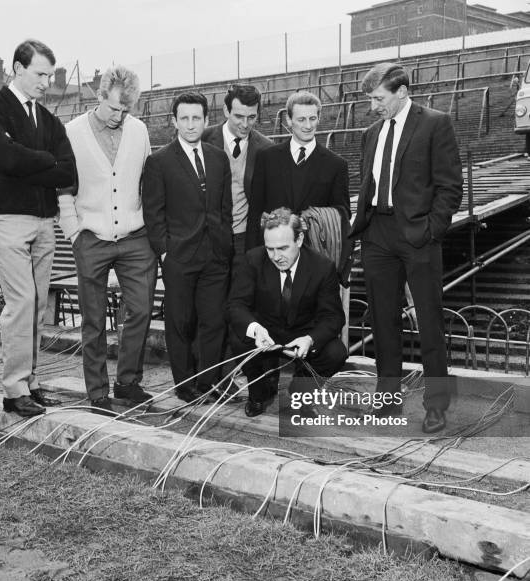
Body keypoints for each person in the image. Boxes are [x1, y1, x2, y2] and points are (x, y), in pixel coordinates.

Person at [349, 63, 463, 434]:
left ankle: (436, 406)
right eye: (370, 99)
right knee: (383, 321)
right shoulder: (370, 133)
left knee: (429, 320)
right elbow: (369, 183)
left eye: (378, 98)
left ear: (401, 91)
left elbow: (450, 187)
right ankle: (387, 400)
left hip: (418, 236)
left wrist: (431, 230)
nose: (373, 106)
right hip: (377, 234)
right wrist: (361, 227)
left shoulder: (435, 123)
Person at [0, 39, 75, 417]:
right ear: (17, 68)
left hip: (44, 220)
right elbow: (5, 158)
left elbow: (68, 171)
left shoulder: (48, 120)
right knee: (21, 303)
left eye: (50, 75)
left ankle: (30, 382)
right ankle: (14, 390)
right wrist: (45, 161)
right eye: (39, 74)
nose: (46, 82)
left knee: (35, 306)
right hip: (7, 219)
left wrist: (32, 160)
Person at [58, 66, 156, 413]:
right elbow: (63, 186)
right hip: (92, 238)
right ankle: (98, 391)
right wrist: (74, 232)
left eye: (126, 110)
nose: (119, 116)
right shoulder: (72, 132)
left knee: (142, 310)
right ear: (99, 96)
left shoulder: (139, 130)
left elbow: (147, 181)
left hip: (134, 236)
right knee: (93, 319)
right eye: (114, 108)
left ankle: (128, 382)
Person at [142, 92, 233, 403]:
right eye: (184, 118)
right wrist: (165, 252)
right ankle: (185, 385)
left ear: (207, 120)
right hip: (179, 256)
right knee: (180, 322)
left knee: (214, 320)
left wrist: (224, 245)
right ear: (174, 121)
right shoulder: (159, 161)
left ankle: (207, 382)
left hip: (215, 255)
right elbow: (153, 214)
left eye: (197, 118)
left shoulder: (218, 157)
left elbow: (225, 207)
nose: (191, 124)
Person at [228, 208, 347, 417]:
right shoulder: (253, 260)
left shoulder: (322, 267)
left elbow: (334, 317)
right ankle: (258, 392)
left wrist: (310, 339)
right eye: (270, 249)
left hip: (302, 335)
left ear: (299, 239)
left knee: (336, 353)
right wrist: (255, 329)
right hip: (266, 334)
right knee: (239, 338)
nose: (276, 256)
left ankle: (301, 394)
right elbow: (235, 305)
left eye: (283, 248)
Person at [246, 90, 350, 250]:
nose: (308, 126)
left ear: (318, 118)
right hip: (272, 251)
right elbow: (255, 212)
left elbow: (342, 213)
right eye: (301, 119)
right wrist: (252, 257)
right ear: (288, 119)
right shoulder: (266, 158)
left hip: (314, 254)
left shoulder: (337, 164)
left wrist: (312, 219)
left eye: (312, 119)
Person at [202, 84, 273, 258]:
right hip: (207, 236)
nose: (245, 124)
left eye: (251, 117)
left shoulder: (266, 148)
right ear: (226, 111)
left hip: (245, 238)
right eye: (239, 116)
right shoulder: (202, 140)